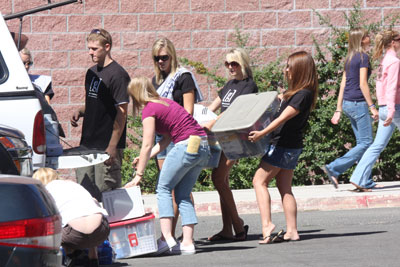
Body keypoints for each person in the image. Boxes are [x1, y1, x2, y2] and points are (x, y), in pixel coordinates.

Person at [124, 77, 210, 255]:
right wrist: (143, 159)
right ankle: (187, 243)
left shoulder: (149, 109)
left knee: (163, 188)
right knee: (183, 195)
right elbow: (165, 141)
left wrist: (138, 175)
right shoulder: (166, 103)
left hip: (186, 145)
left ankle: (167, 238)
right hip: (202, 146)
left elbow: (146, 144)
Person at [249, 51, 318, 244]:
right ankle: (292, 231)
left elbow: (282, 118)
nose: (285, 70)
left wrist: (262, 133)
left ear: (299, 70)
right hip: (291, 146)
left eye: (289, 67)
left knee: (258, 181)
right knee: (284, 187)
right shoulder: (298, 94)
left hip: (282, 145)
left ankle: (267, 225)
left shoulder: (302, 95)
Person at [151, 37, 203, 238]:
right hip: (162, 138)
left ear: (172, 55)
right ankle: (170, 234)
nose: (160, 61)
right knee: (167, 184)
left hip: (180, 137)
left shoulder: (183, 77)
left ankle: (174, 235)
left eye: (164, 57)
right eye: (156, 58)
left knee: (178, 186)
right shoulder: (156, 81)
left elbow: (188, 112)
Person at [204, 48, 258, 241]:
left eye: (234, 63)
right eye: (227, 64)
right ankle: (228, 229)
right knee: (221, 181)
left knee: (218, 178)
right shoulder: (229, 85)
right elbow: (213, 106)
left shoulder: (248, 85)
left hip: (237, 138)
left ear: (243, 63)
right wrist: (201, 117)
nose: (230, 67)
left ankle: (238, 226)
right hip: (222, 137)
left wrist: (213, 121)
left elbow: (236, 110)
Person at [70, 28, 130, 202]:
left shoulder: (118, 75)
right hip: (87, 143)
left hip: (106, 144)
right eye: (89, 48)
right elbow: (96, 103)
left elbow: (122, 114)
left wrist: (112, 146)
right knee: (85, 193)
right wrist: (80, 111)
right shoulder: (91, 72)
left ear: (107, 47)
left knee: (105, 195)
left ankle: (110, 230)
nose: (90, 52)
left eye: (94, 49)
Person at [323, 28, 378, 189]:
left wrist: (339, 108)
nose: (369, 37)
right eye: (367, 36)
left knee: (362, 142)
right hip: (358, 104)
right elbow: (362, 83)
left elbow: (342, 84)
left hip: (348, 103)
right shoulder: (363, 57)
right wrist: (372, 107)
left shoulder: (350, 58)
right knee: (367, 142)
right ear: (361, 40)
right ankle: (334, 168)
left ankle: (364, 179)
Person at [350, 30, 400, 191]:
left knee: (377, 145)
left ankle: (358, 178)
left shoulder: (384, 61)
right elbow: (392, 87)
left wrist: (383, 107)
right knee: (377, 145)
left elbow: (380, 86)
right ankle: (359, 178)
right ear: (393, 42)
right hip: (394, 109)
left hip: (385, 107)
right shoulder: (394, 61)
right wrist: (391, 111)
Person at [33, 168, 109, 267]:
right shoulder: (73, 184)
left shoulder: (46, 192)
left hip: (74, 236)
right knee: (90, 212)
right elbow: (94, 200)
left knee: (52, 226)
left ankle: (71, 255)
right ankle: (93, 257)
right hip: (102, 231)